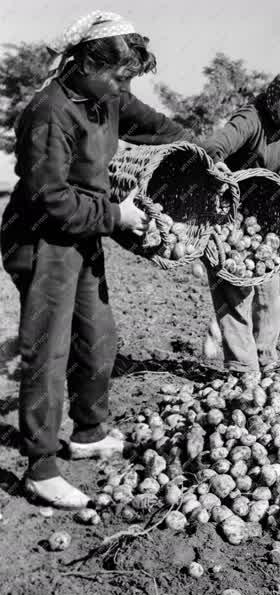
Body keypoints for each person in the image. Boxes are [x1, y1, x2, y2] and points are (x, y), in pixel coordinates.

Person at [0, 11, 197, 509]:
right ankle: (41, 466)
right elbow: (52, 198)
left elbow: (155, 127)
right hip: (42, 240)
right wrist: (118, 216)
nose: (122, 86)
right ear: (86, 62)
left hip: (82, 233)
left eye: (128, 78)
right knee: (49, 350)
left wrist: (196, 154)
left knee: (98, 335)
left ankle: (88, 431)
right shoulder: (50, 112)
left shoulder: (106, 95)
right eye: (118, 75)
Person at [202, 69, 280, 375]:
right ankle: (242, 368)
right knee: (235, 289)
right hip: (229, 214)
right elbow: (215, 148)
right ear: (275, 97)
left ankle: (265, 359)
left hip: (265, 215)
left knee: (268, 289)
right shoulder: (251, 118)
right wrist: (225, 177)